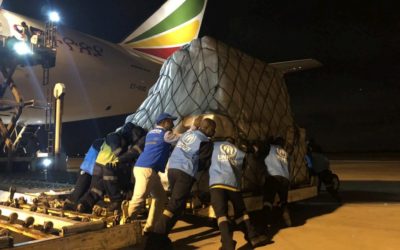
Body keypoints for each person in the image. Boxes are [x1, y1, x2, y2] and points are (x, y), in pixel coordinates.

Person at [146, 118, 216, 250]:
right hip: (185, 171)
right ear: (206, 129)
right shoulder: (205, 141)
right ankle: (154, 240)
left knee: (178, 206)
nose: (214, 131)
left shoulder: (187, 134)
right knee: (174, 205)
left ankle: (163, 238)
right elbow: (203, 163)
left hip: (172, 169)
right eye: (213, 129)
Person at [208, 138, 269, 250]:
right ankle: (252, 237)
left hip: (217, 183)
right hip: (233, 185)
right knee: (241, 213)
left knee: (221, 216)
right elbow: (244, 168)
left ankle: (227, 244)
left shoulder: (215, 145)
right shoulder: (241, 152)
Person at [126, 112, 180, 234]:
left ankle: (149, 228)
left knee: (160, 197)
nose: (173, 124)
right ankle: (124, 225)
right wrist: (192, 131)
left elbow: (159, 146)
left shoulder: (151, 133)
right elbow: (179, 138)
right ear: (165, 122)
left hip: (144, 168)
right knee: (139, 198)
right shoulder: (166, 134)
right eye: (171, 121)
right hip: (147, 169)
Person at [77, 123, 145, 213]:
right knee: (103, 187)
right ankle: (115, 202)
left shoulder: (112, 137)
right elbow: (118, 152)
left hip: (100, 166)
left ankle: (84, 205)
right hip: (105, 166)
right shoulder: (115, 137)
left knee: (96, 189)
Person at [63, 138, 104, 210]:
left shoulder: (99, 142)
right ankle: (75, 205)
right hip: (90, 170)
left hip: (85, 169)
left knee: (81, 190)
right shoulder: (104, 144)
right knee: (85, 190)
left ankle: (74, 205)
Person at [263, 137, 292, 227]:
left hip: (273, 176)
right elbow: (289, 167)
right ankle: (288, 221)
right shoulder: (284, 152)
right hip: (285, 178)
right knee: (283, 202)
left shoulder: (269, 147)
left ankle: (267, 223)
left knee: (268, 201)